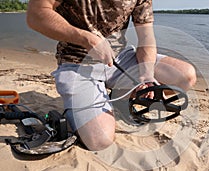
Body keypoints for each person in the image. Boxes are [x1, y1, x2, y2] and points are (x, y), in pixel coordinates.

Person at [26, 0, 197, 151]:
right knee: (100, 140)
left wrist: (146, 74)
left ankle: (122, 99)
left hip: (121, 59)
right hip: (77, 63)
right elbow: (36, 14)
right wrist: (87, 39)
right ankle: (86, 107)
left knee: (185, 76)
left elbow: (146, 38)